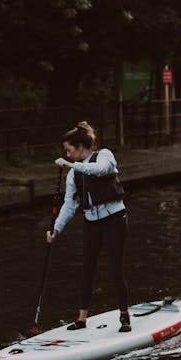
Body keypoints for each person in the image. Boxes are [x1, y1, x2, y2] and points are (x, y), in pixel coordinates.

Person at [46, 121, 131, 333]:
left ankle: (124, 316)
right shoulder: (73, 174)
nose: (67, 154)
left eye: (69, 150)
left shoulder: (104, 155)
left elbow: (101, 170)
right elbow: (69, 204)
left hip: (114, 219)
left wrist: (71, 165)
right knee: (87, 270)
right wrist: (56, 229)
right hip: (92, 223)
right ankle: (81, 318)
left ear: (80, 146)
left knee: (115, 270)